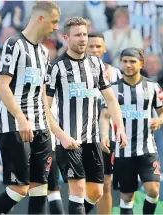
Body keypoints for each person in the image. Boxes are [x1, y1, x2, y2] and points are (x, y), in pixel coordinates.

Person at [46, 17, 127, 215]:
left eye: (84, 34)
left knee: (96, 192)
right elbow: (45, 108)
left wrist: (120, 128)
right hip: (69, 139)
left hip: (93, 140)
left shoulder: (97, 65)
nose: (82, 39)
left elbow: (111, 99)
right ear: (66, 38)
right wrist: (61, 136)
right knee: (78, 189)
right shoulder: (56, 67)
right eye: (77, 35)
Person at [0, 1, 62, 214]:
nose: (56, 27)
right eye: (54, 21)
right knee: (19, 188)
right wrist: (21, 118)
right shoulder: (14, 44)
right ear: (40, 18)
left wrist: (53, 129)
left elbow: (42, 96)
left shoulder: (45, 53)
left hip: (41, 128)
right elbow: (2, 87)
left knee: (40, 189)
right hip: (15, 126)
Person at [100, 48, 163, 214]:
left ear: (141, 63)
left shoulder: (153, 86)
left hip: (147, 149)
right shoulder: (112, 89)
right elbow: (104, 115)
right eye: (124, 61)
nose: (128, 65)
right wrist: (104, 135)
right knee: (127, 197)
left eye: (132, 61)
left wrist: (159, 120)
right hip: (122, 151)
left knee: (153, 190)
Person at [87, 32, 123, 215]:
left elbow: (115, 106)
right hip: (78, 133)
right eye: (91, 46)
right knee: (80, 184)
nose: (94, 50)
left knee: (105, 183)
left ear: (104, 48)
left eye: (98, 46)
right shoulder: (72, 71)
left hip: (106, 135)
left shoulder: (115, 73)